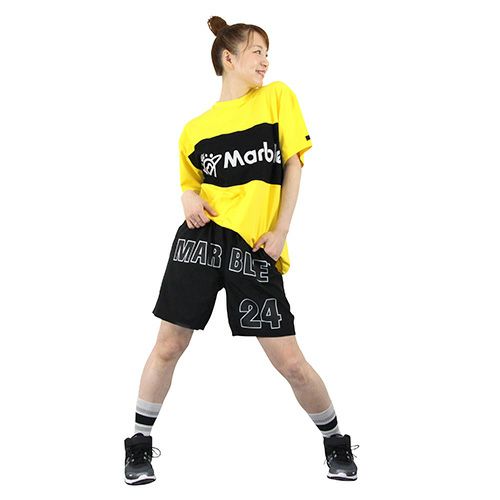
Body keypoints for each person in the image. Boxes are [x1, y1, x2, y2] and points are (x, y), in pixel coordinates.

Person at [123, 16, 359, 485]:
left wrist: (281, 231)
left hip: (254, 246)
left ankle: (335, 441)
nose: (265, 61)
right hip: (201, 242)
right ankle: (138, 445)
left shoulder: (277, 98)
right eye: (257, 51)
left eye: (267, 52)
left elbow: (293, 165)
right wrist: (187, 198)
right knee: (168, 344)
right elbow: (190, 186)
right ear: (228, 58)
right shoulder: (195, 129)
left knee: (290, 361)